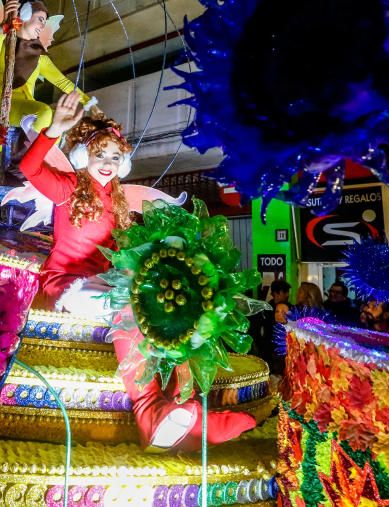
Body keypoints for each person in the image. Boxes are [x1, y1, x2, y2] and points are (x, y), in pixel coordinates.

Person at [19, 91, 256, 451]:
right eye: (101, 154)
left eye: (116, 156)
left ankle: (186, 408)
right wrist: (54, 130)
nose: (109, 162)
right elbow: (29, 169)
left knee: (175, 299)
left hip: (109, 280)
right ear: (85, 156)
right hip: (68, 284)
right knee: (131, 298)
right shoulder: (67, 188)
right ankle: (148, 412)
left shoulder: (121, 199)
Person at [0, 0, 95, 133]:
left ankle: (35, 148)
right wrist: (2, 29)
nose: (42, 26)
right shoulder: (5, 43)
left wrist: (89, 103)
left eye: (44, 23)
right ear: (25, 15)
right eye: (40, 19)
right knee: (45, 114)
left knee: (55, 119)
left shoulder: (40, 57)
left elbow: (62, 82)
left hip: (24, 107)